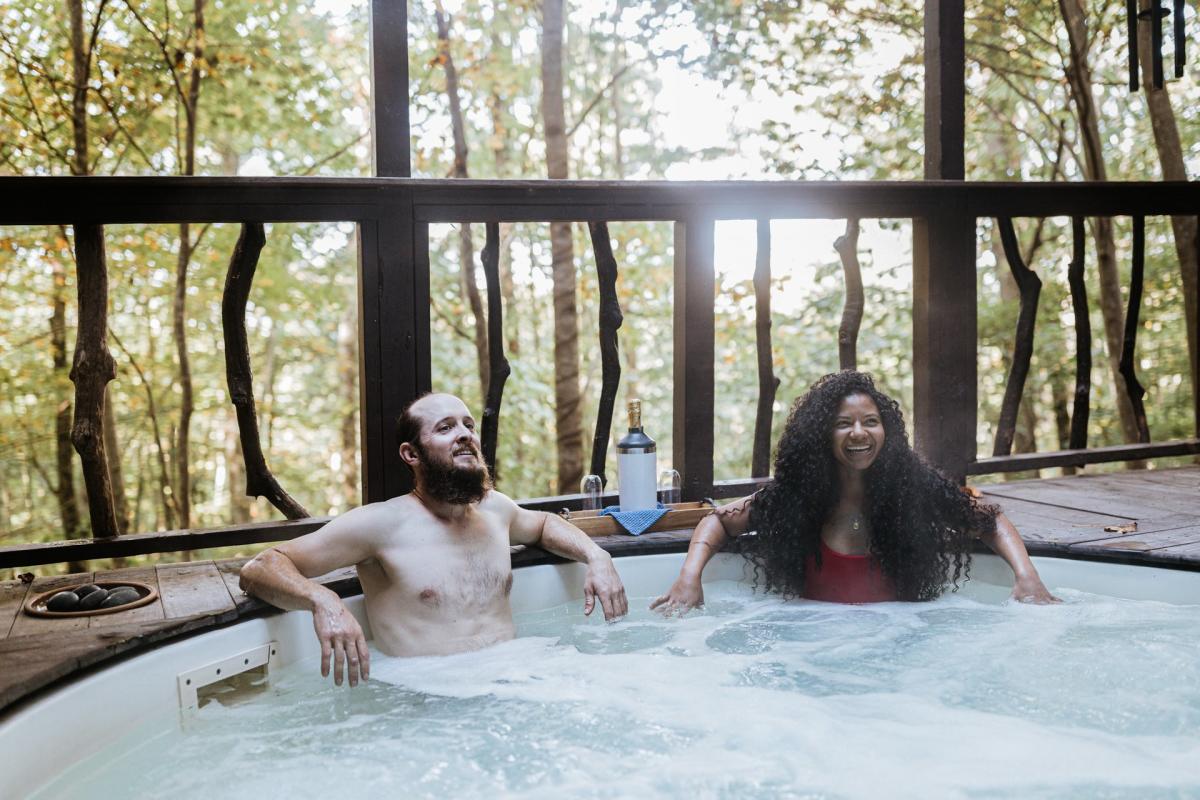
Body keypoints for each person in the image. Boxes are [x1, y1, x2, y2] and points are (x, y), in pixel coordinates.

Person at [241, 392, 629, 686]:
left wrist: (596, 556)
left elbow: (544, 523)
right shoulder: (381, 524)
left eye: (468, 425)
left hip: (516, 675)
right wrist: (323, 601)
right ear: (411, 454)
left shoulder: (495, 510)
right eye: (445, 428)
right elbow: (262, 567)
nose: (464, 435)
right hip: (431, 696)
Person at [651, 370, 1057, 613]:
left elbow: (989, 519)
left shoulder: (912, 487)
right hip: (817, 641)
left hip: (899, 638)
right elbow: (717, 520)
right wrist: (689, 578)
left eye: (871, 421)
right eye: (844, 423)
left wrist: (1027, 577)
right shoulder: (796, 495)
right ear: (822, 435)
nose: (859, 433)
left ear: (887, 431)